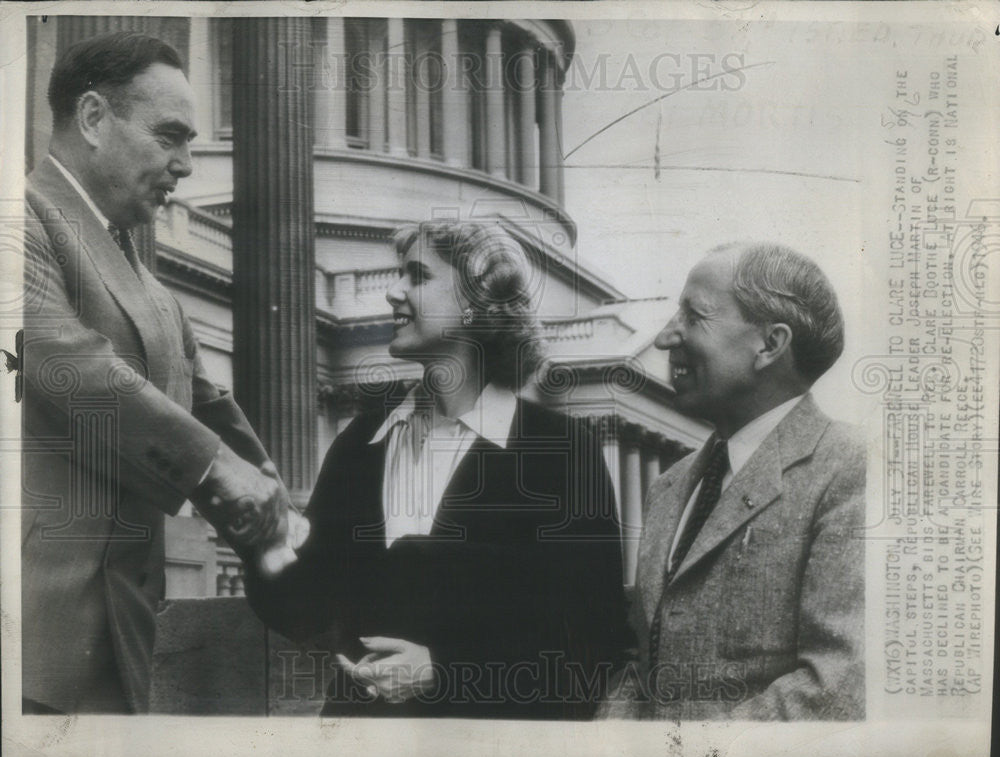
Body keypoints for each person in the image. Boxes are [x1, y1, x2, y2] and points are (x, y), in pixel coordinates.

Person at [21, 31, 300, 715]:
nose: (184, 165)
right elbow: (65, 364)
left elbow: (212, 412)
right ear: (92, 118)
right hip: (30, 645)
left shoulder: (154, 290)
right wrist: (218, 473)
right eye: (169, 137)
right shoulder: (16, 219)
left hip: (122, 645)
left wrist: (291, 529)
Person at [247, 220, 627, 719]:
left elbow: (593, 647)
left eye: (417, 276)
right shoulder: (360, 443)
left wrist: (445, 671)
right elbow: (306, 609)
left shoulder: (560, 451)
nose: (392, 292)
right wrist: (265, 539)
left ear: (477, 301)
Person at [601, 242, 865, 720]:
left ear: (769, 344)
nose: (664, 338)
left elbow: (835, 688)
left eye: (694, 316)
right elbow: (642, 665)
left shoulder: (850, 469)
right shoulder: (670, 486)